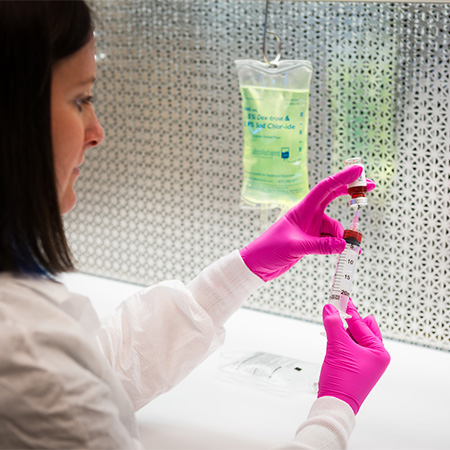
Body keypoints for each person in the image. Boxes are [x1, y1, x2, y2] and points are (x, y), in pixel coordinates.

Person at [0, 1, 390, 448]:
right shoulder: (25, 353)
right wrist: (335, 412)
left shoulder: (26, 337)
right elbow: (61, 384)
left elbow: (98, 371)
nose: (97, 130)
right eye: (81, 99)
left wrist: (242, 271)